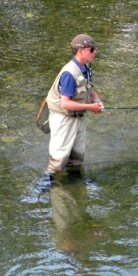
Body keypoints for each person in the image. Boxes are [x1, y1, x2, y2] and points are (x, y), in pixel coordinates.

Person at [44, 34, 104, 178]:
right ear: (81, 50)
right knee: (59, 158)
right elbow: (65, 103)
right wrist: (91, 107)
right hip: (64, 118)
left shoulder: (86, 68)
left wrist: (97, 100)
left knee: (77, 155)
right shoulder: (69, 74)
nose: (95, 52)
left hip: (78, 117)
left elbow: (89, 88)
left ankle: (75, 180)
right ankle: (45, 184)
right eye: (92, 49)